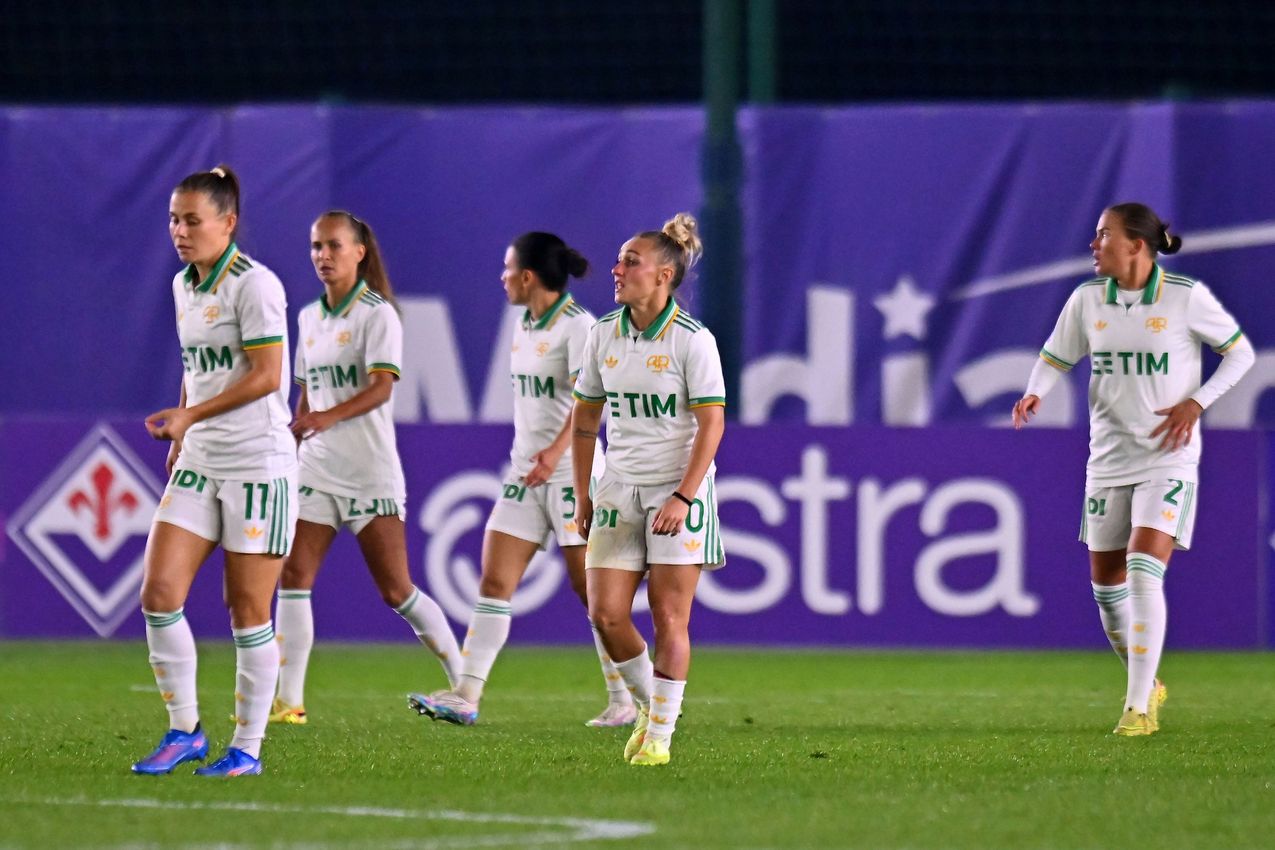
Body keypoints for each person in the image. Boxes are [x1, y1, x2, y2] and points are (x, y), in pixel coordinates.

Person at [1013, 202, 1254, 736]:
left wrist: (1197, 402)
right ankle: (1150, 683)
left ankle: (1138, 708)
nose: (1094, 244)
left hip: (1168, 457)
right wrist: (1035, 392)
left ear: (1136, 246)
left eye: (1103, 235)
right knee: (1106, 587)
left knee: (1145, 567)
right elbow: (1056, 356)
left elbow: (1240, 355)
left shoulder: (1184, 297)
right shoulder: (1087, 301)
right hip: (1108, 460)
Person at [408, 232, 635, 727]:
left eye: (508, 269)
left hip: (571, 473)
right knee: (493, 578)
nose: (502, 277)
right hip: (525, 473)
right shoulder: (524, 324)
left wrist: (555, 454)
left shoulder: (579, 328)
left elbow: (587, 401)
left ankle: (625, 700)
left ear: (528, 277)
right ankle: (466, 696)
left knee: (591, 593)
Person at [132, 165, 298, 777]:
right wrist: (186, 428)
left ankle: (247, 750)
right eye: (174, 219)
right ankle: (185, 733)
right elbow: (196, 363)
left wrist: (190, 414)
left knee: (248, 611)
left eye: (192, 220)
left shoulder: (255, 286)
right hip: (201, 460)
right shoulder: (184, 285)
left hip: (258, 464)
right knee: (158, 594)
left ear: (227, 223)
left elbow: (266, 376)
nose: (180, 230)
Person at [270, 211, 461, 724]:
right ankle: (290, 701)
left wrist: (325, 417)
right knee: (293, 574)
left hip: (368, 472)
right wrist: (298, 426)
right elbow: (307, 390)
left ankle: (463, 681)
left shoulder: (378, 314)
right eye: (315, 247)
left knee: (395, 589)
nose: (322, 256)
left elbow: (381, 387)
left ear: (359, 252)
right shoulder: (309, 316)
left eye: (333, 246)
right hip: (316, 467)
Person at [569, 213, 726, 766]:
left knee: (669, 617)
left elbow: (712, 425)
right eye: (619, 260)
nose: (616, 269)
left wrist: (684, 497)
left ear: (663, 275)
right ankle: (648, 705)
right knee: (605, 614)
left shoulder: (693, 341)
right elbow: (585, 421)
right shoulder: (602, 333)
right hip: (618, 487)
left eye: (630, 262)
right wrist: (584, 492)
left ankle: (658, 738)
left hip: (678, 491)